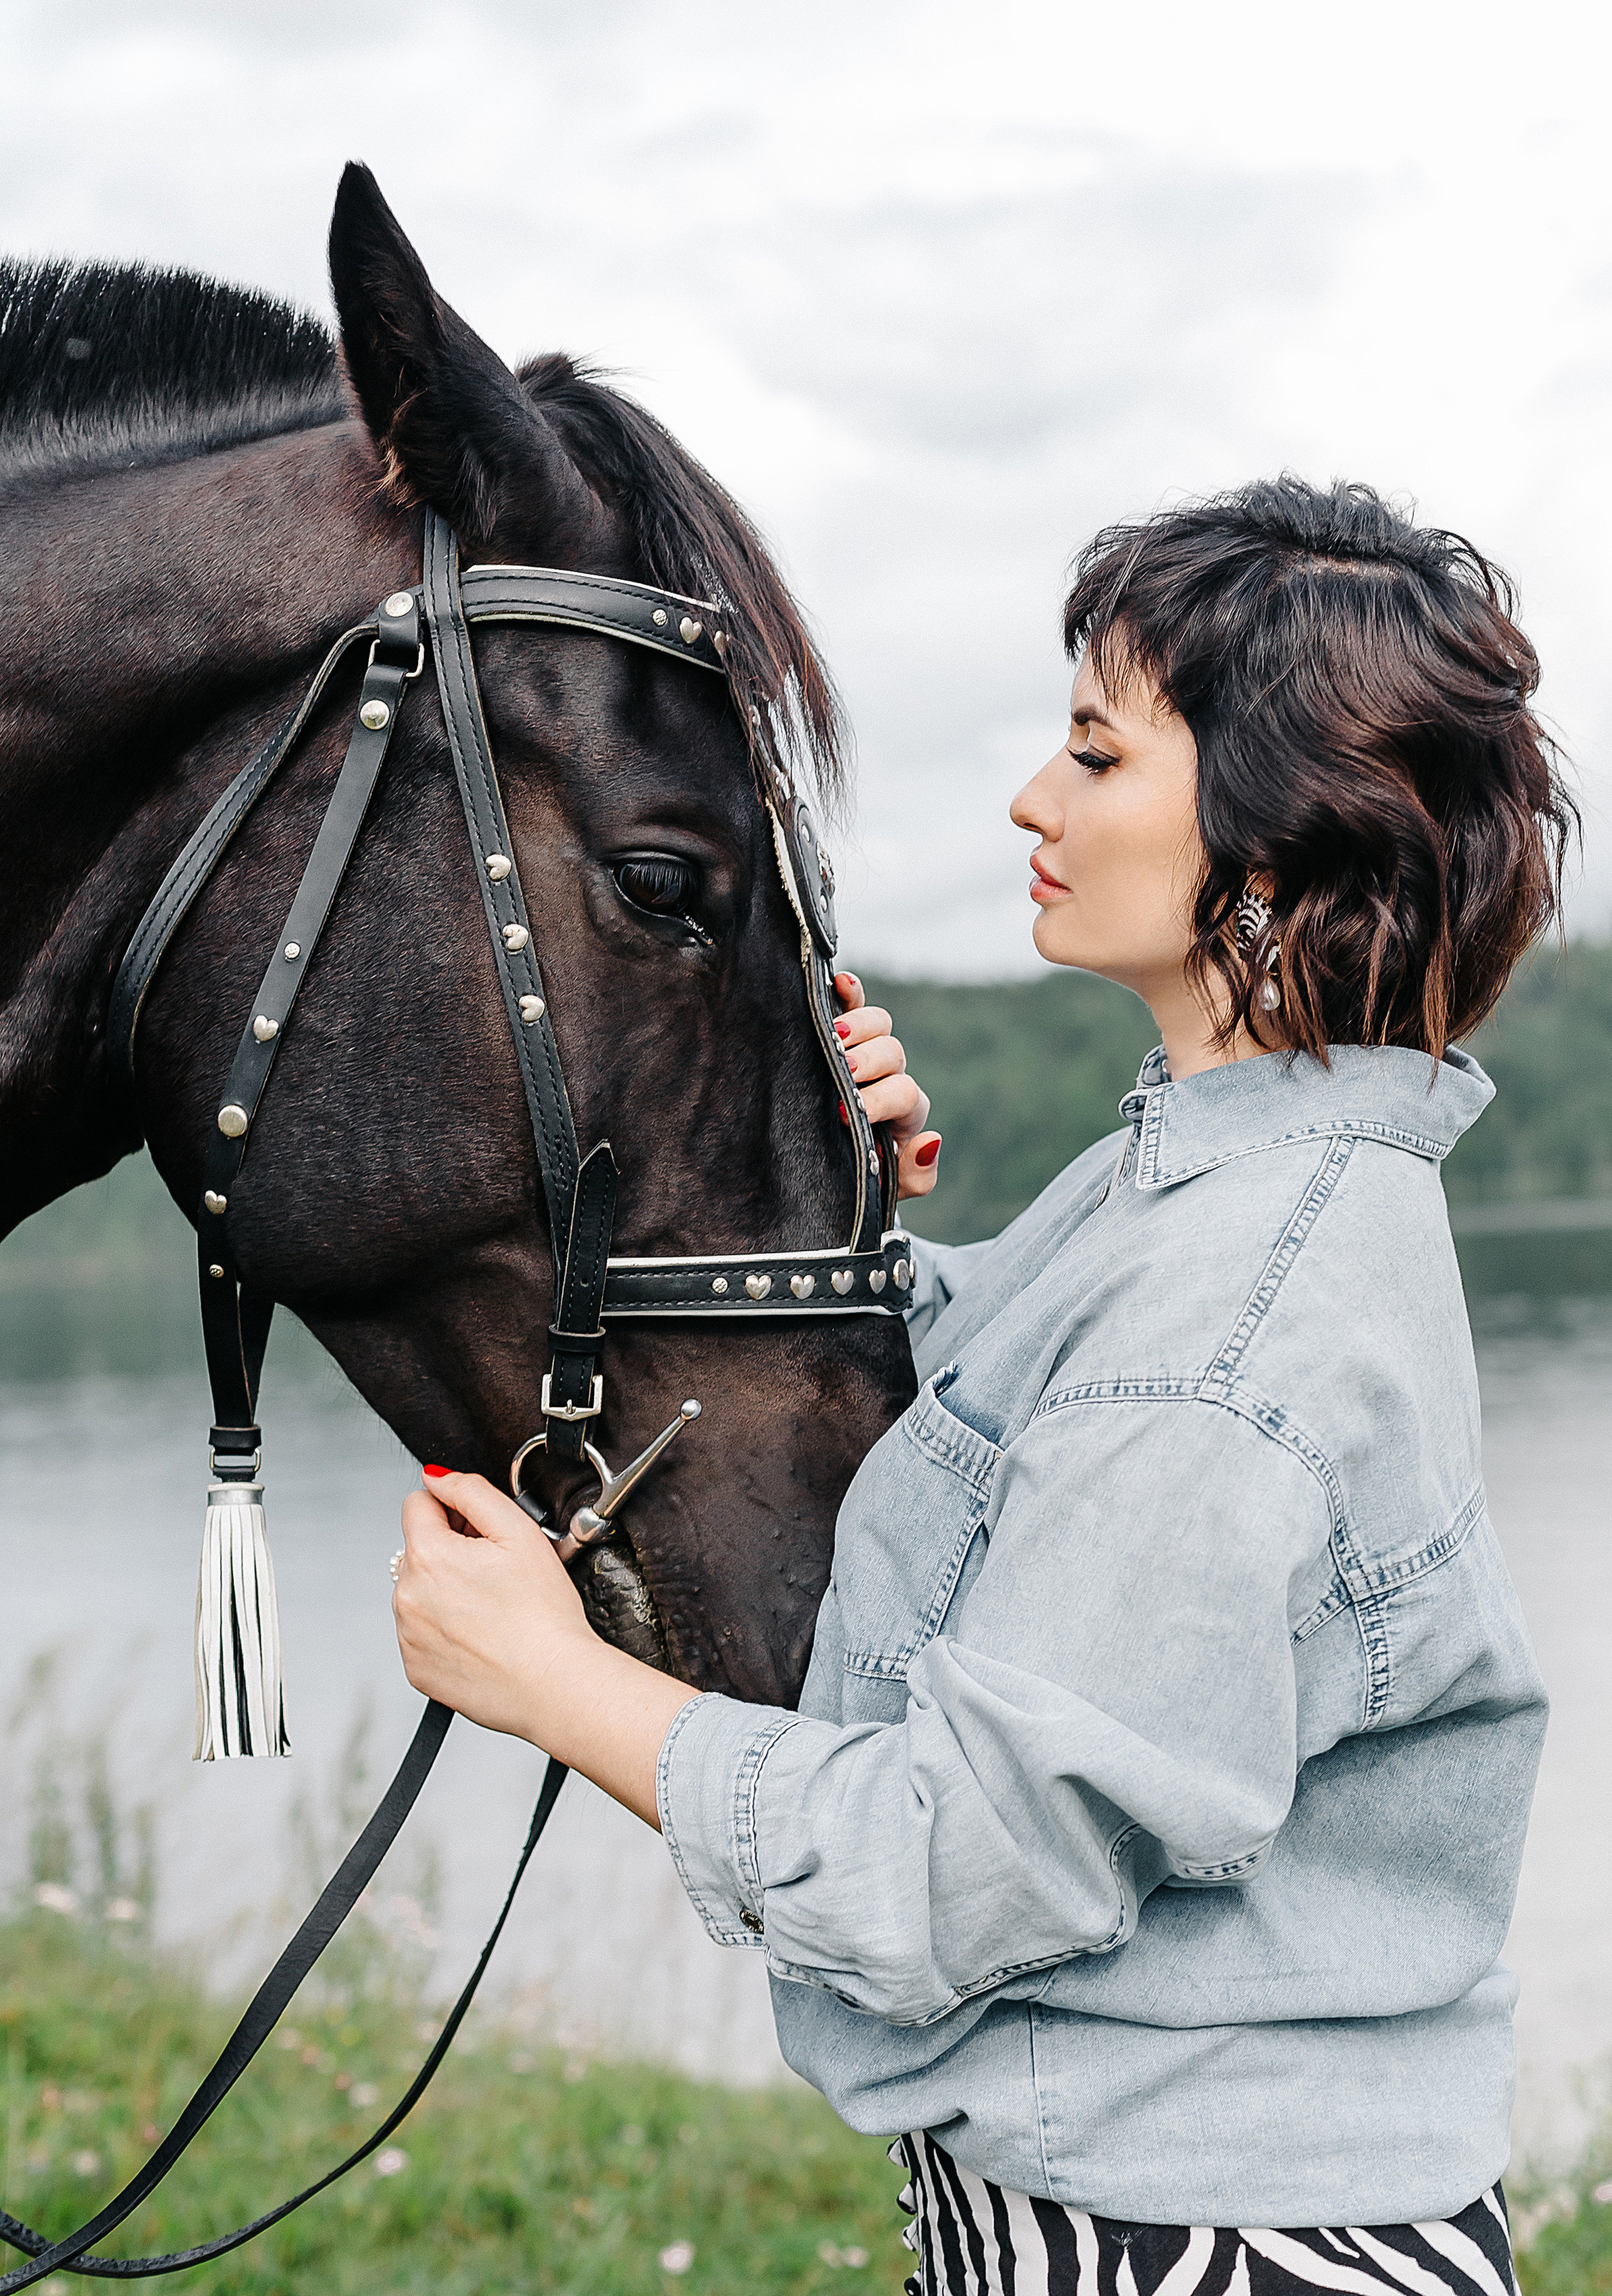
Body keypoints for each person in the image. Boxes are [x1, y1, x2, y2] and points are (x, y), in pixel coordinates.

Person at [391, 476, 1573, 2294]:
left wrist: (556, 1680)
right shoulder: (1215, 1187)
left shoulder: (1231, 1307)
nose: (1032, 797)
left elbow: (955, 1866)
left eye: (1097, 755)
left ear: (1274, 843)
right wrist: (855, 1224)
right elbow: (1038, 1449)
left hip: (1217, 2247)